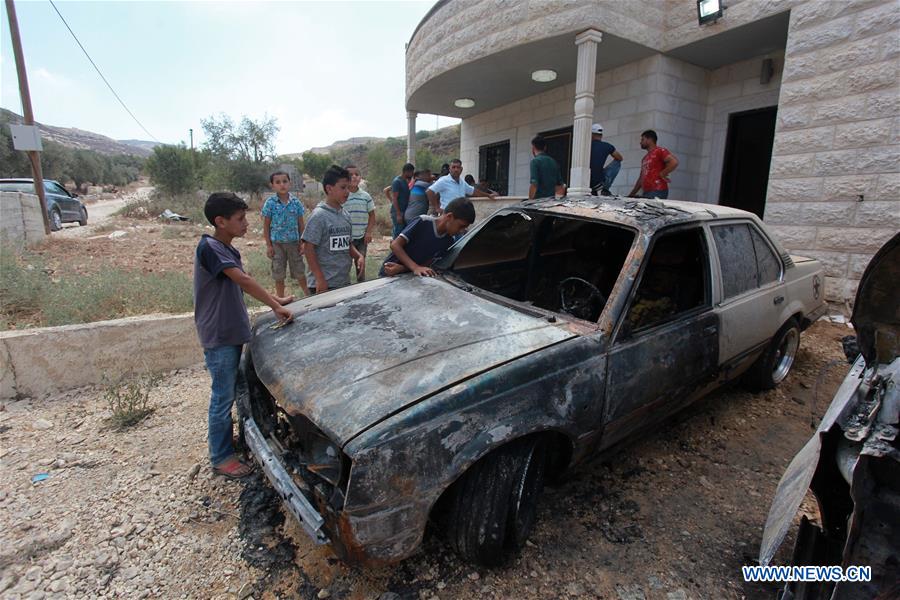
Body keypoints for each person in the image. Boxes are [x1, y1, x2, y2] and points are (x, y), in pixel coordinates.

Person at [193, 192, 294, 479]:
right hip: (220, 335)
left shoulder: (223, 247)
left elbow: (238, 286)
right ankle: (221, 457)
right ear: (220, 221)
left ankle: (233, 444)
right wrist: (275, 305)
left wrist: (276, 298)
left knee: (235, 389)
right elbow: (243, 281)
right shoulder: (211, 248)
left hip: (229, 332)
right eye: (240, 219)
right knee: (222, 397)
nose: (246, 223)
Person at [302, 165, 364, 294]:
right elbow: (308, 248)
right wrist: (319, 278)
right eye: (343, 187)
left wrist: (358, 256)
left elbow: (348, 244)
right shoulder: (319, 216)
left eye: (348, 187)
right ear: (329, 188)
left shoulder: (345, 215)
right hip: (323, 285)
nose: (347, 192)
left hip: (342, 283)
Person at [380, 197, 476, 277]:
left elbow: (427, 264)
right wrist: (415, 267)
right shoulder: (423, 222)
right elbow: (395, 245)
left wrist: (404, 269)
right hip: (390, 271)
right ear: (449, 217)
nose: (462, 231)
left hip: (408, 275)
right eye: (461, 226)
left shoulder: (448, 241)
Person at [261, 171, 310, 298]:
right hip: (277, 244)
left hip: (294, 243)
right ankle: (281, 299)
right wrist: (269, 245)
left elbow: (301, 224)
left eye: (284, 181)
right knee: (279, 273)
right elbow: (266, 225)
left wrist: (302, 242)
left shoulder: (296, 203)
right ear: (272, 185)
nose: (282, 185)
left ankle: (309, 296)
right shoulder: (270, 203)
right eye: (278, 182)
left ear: (290, 183)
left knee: (299, 270)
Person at [426, 158, 496, 214]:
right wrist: (437, 208)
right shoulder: (444, 180)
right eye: (453, 167)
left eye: (458, 167)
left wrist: (488, 195)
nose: (456, 169)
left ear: (461, 169)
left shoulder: (462, 182)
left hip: (460, 214)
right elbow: (429, 192)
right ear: (450, 169)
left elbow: (473, 191)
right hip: (447, 215)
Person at [343, 164, 375, 282]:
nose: (354, 177)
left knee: (360, 264)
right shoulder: (343, 196)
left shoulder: (365, 196)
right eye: (350, 175)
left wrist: (369, 232)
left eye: (357, 174)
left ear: (360, 177)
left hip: (362, 238)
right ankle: (344, 288)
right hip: (346, 239)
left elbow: (372, 215)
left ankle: (361, 289)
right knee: (344, 265)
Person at [629, 129, 679, 199]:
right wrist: (631, 194)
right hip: (647, 192)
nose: (640, 142)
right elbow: (641, 178)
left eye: (642, 140)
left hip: (658, 190)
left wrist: (662, 173)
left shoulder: (660, 151)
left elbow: (674, 162)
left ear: (649, 139)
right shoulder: (644, 158)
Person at [589, 123, 623, 196]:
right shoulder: (607, 146)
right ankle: (605, 189)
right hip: (599, 182)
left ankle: (595, 189)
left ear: (591, 134)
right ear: (601, 135)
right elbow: (620, 158)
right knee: (617, 163)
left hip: (586, 182)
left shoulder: (586, 146)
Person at [528, 135, 566, 200]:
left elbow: (534, 184)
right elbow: (561, 186)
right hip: (550, 202)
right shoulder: (554, 162)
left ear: (533, 148)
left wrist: (530, 200)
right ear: (545, 148)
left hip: (538, 202)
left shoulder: (535, 161)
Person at [384, 163, 415, 238]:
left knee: (399, 231)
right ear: (406, 172)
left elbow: (386, 190)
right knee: (398, 232)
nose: (412, 174)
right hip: (398, 212)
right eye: (411, 172)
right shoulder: (397, 181)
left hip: (402, 210)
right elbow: (395, 197)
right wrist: (398, 214)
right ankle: (394, 248)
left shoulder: (404, 181)